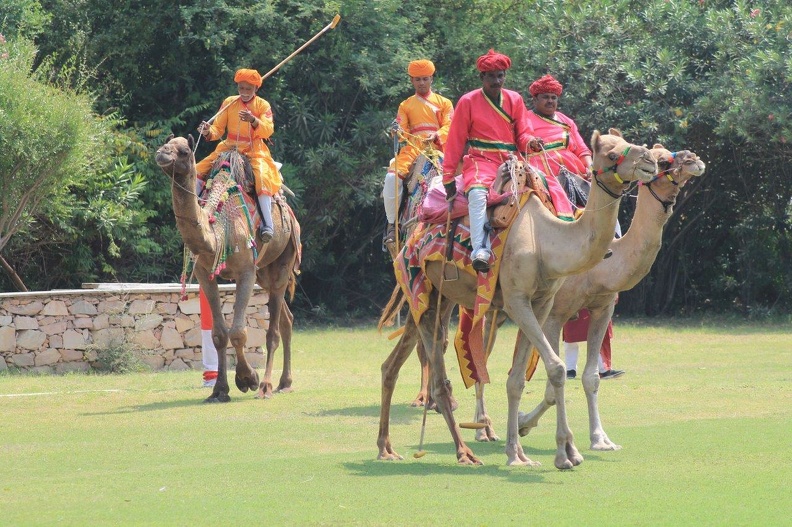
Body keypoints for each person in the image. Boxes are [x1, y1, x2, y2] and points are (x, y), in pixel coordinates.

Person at [441, 49, 542, 272]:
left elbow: (523, 134)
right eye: (491, 76)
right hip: (481, 160)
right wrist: (448, 175)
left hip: (511, 160)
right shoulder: (468, 101)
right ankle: (480, 249)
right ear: (482, 78)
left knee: (544, 187)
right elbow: (455, 141)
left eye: (500, 76)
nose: (497, 81)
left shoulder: (515, 99)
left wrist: (532, 142)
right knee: (477, 195)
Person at [196, 68, 280, 242]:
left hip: (254, 151)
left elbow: (268, 130)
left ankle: (268, 225)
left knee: (263, 178)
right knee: (197, 169)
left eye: (248, 89)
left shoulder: (263, 105)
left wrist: (253, 120)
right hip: (228, 147)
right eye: (241, 88)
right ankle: (194, 214)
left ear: (256, 89)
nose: (244, 93)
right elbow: (217, 129)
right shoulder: (229, 102)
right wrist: (207, 131)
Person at [383, 59, 454, 244]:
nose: (421, 83)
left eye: (425, 79)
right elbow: (401, 126)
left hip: (438, 149)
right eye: (417, 79)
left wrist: (437, 135)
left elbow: (450, 124)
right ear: (412, 81)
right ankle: (392, 225)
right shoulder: (405, 105)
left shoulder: (444, 103)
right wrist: (396, 130)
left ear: (431, 79)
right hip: (412, 150)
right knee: (391, 178)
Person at [563, 308, 625, 380]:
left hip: (593, 305)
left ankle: (603, 369)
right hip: (573, 304)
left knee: (597, 335)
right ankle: (570, 370)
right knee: (571, 335)